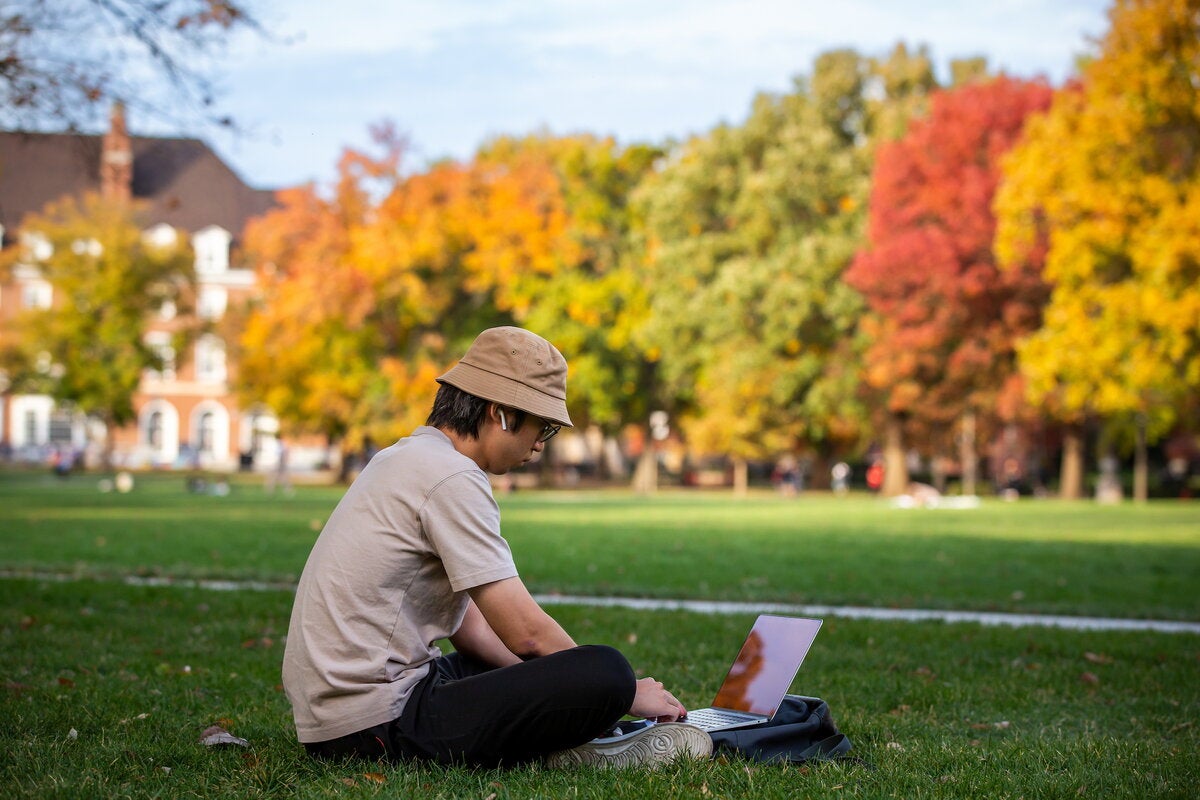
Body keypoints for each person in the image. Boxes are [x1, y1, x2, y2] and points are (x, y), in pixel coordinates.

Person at [282, 327, 710, 769]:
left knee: (507, 667)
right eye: (541, 427)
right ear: (501, 414)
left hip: (342, 714)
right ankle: (585, 742)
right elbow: (524, 630)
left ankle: (575, 735)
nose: (539, 445)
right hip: (376, 723)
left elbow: (470, 627)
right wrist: (620, 691)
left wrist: (556, 684)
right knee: (606, 668)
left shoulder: (405, 458)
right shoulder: (452, 477)